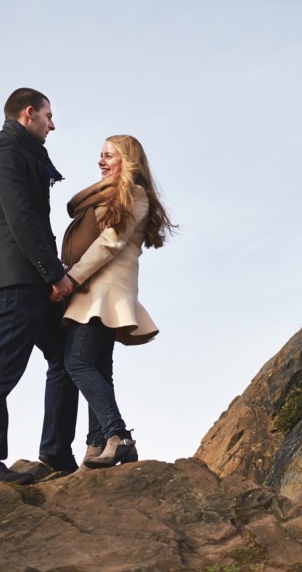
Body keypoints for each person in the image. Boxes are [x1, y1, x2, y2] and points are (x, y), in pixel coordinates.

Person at [0, 87, 79, 484]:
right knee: (0, 370)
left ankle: (55, 450)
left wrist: (49, 275)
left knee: (69, 356)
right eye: (49, 116)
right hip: (15, 282)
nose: (53, 124)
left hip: (33, 280)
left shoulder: (26, 153)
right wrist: (54, 274)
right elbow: (21, 220)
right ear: (29, 113)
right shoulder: (4, 153)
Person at [60, 134, 174, 469]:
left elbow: (109, 243)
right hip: (99, 290)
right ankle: (96, 447)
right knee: (98, 368)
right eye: (100, 155)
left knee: (77, 362)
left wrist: (71, 278)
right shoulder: (118, 195)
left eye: (109, 155)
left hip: (104, 291)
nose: (101, 161)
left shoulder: (134, 194)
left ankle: (118, 436)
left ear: (129, 161)